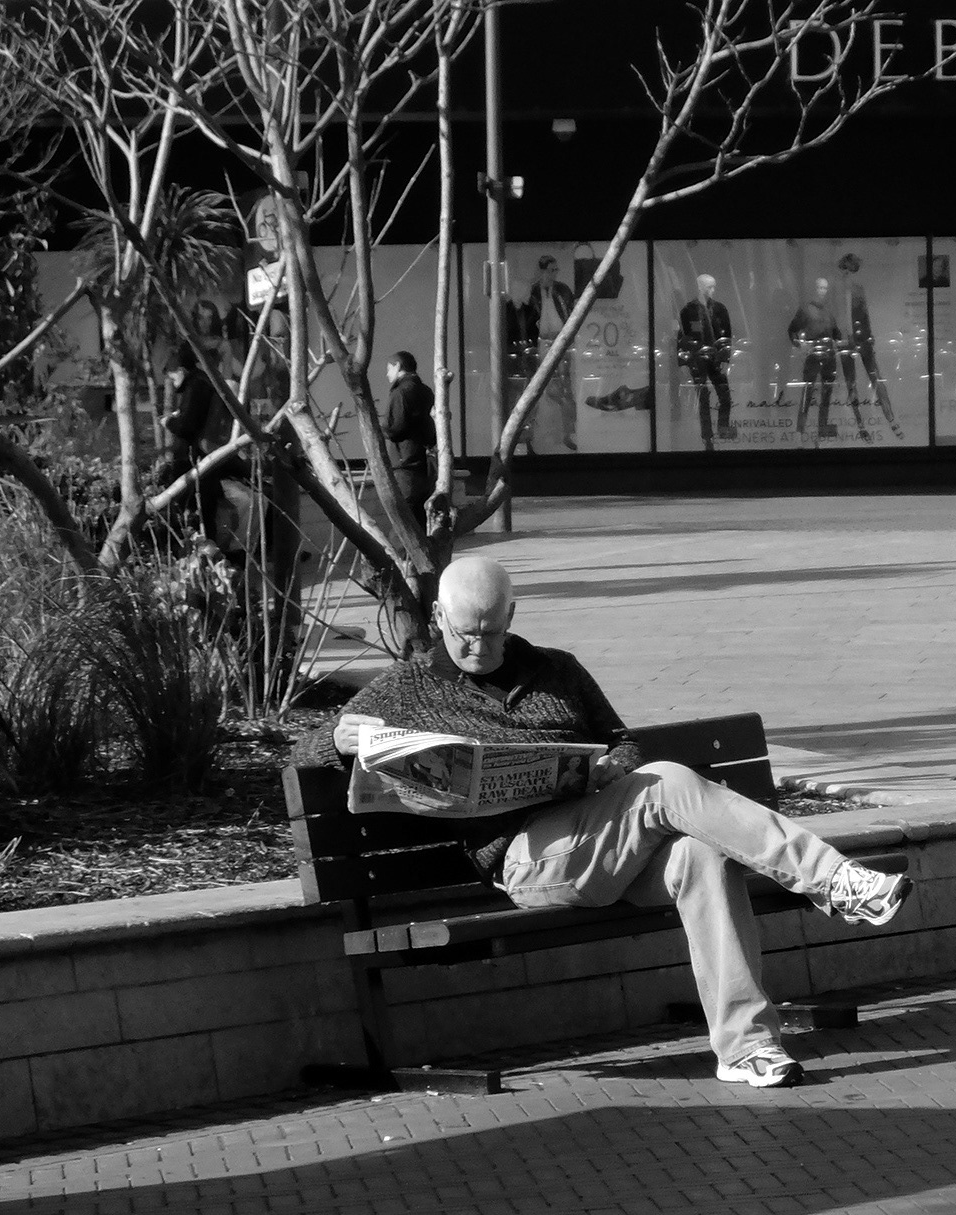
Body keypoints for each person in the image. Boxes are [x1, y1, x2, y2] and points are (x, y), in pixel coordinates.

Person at [289, 556, 912, 1088]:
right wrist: (337, 741)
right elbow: (303, 752)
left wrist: (612, 765)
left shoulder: (556, 670)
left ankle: (747, 1047)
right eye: (462, 635)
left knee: (702, 857)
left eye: (490, 631)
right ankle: (834, 882)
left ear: (512, 617)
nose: (476, 647)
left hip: (601, 840)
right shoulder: (407, 688)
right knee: (667, 783)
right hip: (527, 859)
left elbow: (624, 745)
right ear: (438, 622)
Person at [159, 344, 239, 548]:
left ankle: (206, 559)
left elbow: (188, 426)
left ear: (181, 371)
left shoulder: (196, 387)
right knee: (205, 511)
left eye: (171, 374)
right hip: (206, 456)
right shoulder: (203, 382)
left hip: (195, 459)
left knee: (199, 514)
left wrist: (169, 422)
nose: (170, 380)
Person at [511, 255, 579, 452]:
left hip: (561, 341)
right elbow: (525, 320)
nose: (555, 274)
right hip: (540, 344)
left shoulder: (562, 290)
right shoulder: (532, 293)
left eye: (556, 270)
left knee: (565, 387)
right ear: (542, 271)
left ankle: (568, 432)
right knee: (536, 390)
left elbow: (572, 313)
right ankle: (530, 438)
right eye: (551, 270)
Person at [834, 254, 904, 441]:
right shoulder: (835, 292)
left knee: (876, 379)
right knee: (851, 384)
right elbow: (833, 320)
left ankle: (891, 420)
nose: (846, 274)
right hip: (844, 343)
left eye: (850, 270)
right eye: (844, 270)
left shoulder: (858, 290)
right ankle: (861, 426)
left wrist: (869, 336)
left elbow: (864, 316)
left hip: (862, 340)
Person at [677, 274, 735, 451]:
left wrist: (725, 358)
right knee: (703, 398)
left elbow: (726, 336)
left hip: (715, 357)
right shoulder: (688, 310)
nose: (712, 290)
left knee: (725, 396)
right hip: (697, 359)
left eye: (714, 287)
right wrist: (684, 361)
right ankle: (708, 437)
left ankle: (722, 429)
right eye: (709, 287)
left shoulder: (719, 309)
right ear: (700, 286)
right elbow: (682, 336)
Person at [383, 351, 437, 532]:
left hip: (404, 461)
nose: (387, 374)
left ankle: (400, 558)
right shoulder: (426, 391)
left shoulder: (401, 393)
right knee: (418, 515)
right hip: (423, 460)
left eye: (389, 369)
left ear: (398, 366)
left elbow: (397, 428)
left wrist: (380, 429)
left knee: (404, 515)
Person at [788, 277, 844, 442]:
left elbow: (836, 333)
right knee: (807, 393)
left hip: (829, 356)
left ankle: (822, 429)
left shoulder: (829, 310)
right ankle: (800, 431)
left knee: (827, 394)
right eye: (819, 287)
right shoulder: (806, 310)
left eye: (825, 288)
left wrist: (839, 340)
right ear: (814, 289)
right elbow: (792, 331)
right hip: (813, 356)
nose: (822, 291)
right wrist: (800, 345)